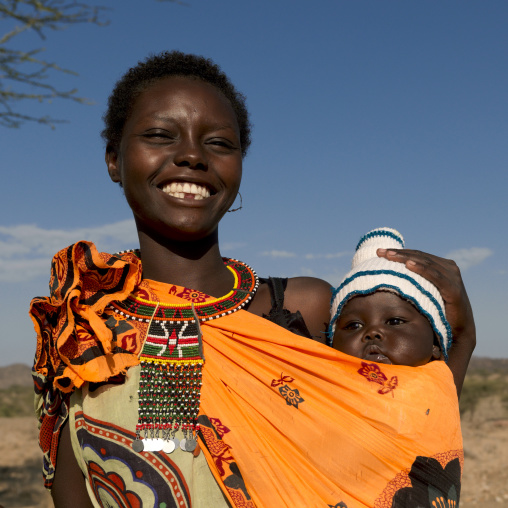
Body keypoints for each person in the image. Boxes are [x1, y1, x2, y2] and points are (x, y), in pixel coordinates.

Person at [30, 51, 473, 508]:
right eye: (160, 135)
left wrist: (463, 338)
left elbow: (400, 436)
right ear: (113, 160)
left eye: (219, 143)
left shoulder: (304, 307)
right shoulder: (87, 323)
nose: (190, 155)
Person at [329, 227, 451, 367]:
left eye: (394, 322)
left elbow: (465, 340)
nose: (373, 333)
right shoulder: (325, 385)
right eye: (354, 325)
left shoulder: (441, 384)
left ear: (435, 344)